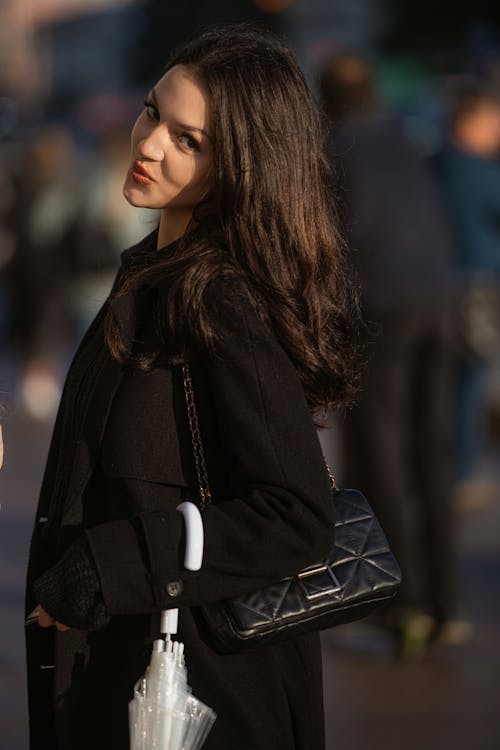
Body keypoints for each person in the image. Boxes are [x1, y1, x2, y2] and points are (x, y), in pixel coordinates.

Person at [25, 25, 362, 750]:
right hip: (129, 670)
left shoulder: (217, 300)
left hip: (203, 697)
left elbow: (295, 513)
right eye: (153, 113)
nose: (148, 144)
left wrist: (104, 567)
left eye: (189, 140)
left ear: (244, 165)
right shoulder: (151, 272)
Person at [319, 54, 462, 658]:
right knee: (431, 450)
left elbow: (339, 240)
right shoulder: (402, 134)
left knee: (384, 452)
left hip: (383, 305)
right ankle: (445, 604)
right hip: (440, 300)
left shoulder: (336, 147)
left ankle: (404, 604)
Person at [434, 84, 500, 503]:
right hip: (476, 284)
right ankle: (460, 469)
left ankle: (451, 464)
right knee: (471, 376)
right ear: (473, 122)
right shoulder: (476, 170)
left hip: (443, 283)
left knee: (451, 378)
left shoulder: (436, 162)